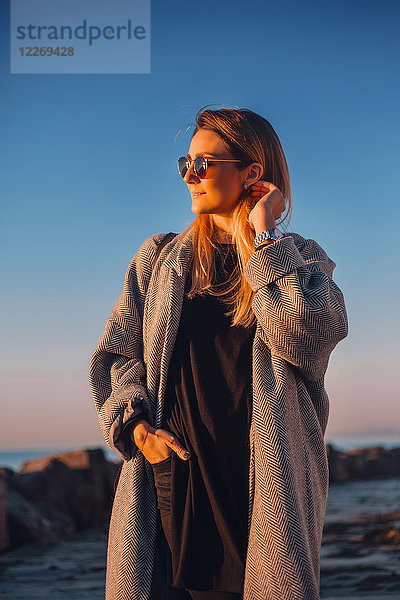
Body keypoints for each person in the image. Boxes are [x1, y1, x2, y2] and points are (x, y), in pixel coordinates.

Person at [89, 106, 348, 600]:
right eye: (184, 164)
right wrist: (138, 430)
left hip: (261, 487)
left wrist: (265, 238)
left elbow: (309, 338)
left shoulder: (303, 258)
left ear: (252, 172)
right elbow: (116, 357)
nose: (189, 176)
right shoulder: (159, 259)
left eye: (203, 164)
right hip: (173, 484)